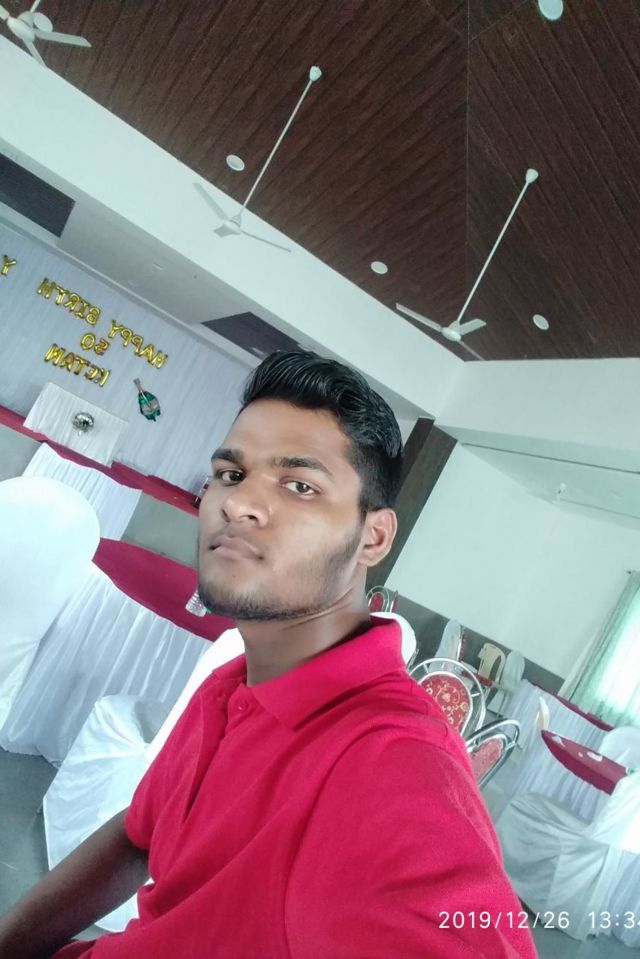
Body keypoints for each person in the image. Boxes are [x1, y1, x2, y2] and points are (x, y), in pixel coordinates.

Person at [0, 351, 537, 959]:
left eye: (300, 485)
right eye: (231, 474)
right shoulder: (230, 687)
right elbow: (137, 834)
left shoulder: (391, 761)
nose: (238, 503)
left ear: (374, 537)